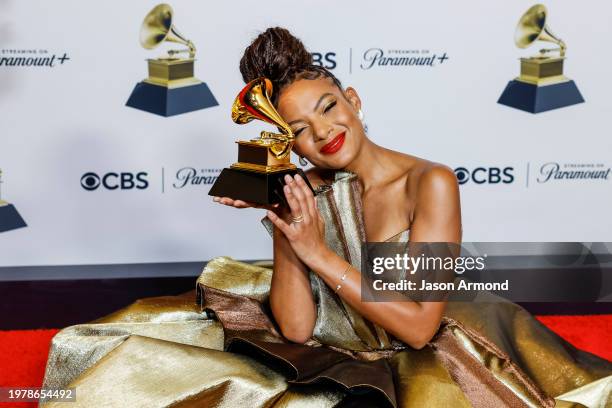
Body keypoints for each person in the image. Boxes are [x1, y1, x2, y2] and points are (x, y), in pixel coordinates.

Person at [42, 28, 611, 408]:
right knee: (123, 370)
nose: (323, 133)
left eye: (329, 107)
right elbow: (294, 329)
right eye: (297, 130)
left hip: (423, 353)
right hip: (330, 351)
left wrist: (320, 254)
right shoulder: (307, 187)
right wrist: (287, 224)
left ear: (354, 100)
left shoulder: (429, 182)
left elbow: (416, 327)